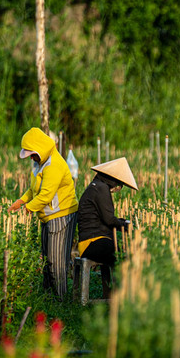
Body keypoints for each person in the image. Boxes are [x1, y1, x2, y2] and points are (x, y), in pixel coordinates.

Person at [9, 128, 79, 299]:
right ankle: (49, 297)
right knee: (48, 259)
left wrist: (29, 208)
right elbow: (35, 189)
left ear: (40, 149)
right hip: (48, 216)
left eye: (32, 154)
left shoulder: (54, 164)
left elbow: (46, 195)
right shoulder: (41, 163)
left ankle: (61, 300)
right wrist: (21, 201)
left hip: (61, 215)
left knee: (56, 262)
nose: (31, 158)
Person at [75, 157, 138, 299]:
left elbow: (106, 218)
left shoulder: (96, 186)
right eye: (119, 185)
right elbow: (109, 219)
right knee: (120, 252)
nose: (118, 188)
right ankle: (118, 295)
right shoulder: (101, 189)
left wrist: (122, 223)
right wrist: (127, 226)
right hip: (91, 243)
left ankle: (109, 294)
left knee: (115, 248)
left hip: (90, 241)